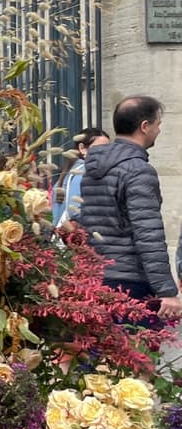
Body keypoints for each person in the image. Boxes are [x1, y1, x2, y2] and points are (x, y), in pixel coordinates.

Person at [78, 95, 181, 320]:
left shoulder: (93, 169)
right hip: (130, 282)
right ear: (144, 127)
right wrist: (167, 290)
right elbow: (148, 233)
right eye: (158, 124)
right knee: (139, 351)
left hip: (95, 277)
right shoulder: (138, 171)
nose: (159, 130)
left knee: (104, 352)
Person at [52, 127, 109, 227]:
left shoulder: (69, 171)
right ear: (82, 148)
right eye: (99, 149)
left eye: (108, 149)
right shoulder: (86, 171)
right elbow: (75, 211)